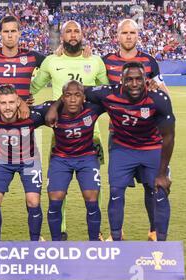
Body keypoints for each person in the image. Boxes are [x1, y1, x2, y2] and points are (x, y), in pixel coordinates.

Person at [30, 20, 109, 241]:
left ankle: (97, 232)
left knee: (94, 186)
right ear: (61, 36)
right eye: (68, 32)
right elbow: (33, 87)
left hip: (90, 133)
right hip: (59, 133)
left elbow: (107, 90)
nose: (73, 35)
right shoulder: (51, 61)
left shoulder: (94, 61)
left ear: (83, 35)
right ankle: (61, 230)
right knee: (58, 187)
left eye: (76, 31)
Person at [85, 62, 175, 241]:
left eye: (138, 79)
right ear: (121, 81)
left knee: (160, 190)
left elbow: (169, 137)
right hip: (122, 148)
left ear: (146, 80)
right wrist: (55, 108)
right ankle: (116, 238)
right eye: (129, 80)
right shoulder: (108, 93)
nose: (134, 84)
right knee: (116, 192)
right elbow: (78, 89)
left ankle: (161, 243)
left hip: (152, 147)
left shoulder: (159, 99)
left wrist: (162, 172)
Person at [0, 15, 46, 241]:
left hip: (25, 126)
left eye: (13, 31)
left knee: (32, 194)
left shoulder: (32, 57)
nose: (9, 35)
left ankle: (35, 238)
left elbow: (57, 64)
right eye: (5, 31)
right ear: (0, 34)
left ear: (19, 33)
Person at [102, 18, 171, 241]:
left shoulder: (149, 61)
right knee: (116, 189)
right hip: (119, 135)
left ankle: (154, 231)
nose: (129, 36)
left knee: (153, 188)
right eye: (125, 33)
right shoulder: (105, 62)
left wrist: (162, 98)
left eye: (132, 33)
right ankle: (116, 234)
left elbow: (162, 90)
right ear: (118, 36)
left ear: (137, 35)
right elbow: (99, 90)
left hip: (150, 136)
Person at [0, 84, 49, 241]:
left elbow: (53, 105)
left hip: (29, 161)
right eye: (3, 103)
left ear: (19, 102)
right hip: (2, 161)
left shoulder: (33, 116)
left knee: (33, 201)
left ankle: (35, 240)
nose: (7, 107)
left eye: (11, 102)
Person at [45, 80, 104, 241]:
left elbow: (112, 95)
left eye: (77, 95)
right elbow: (29, 113)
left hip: (87, 157)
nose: (72, 100)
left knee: (91, 197)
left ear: (84, 97)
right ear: (62, 98)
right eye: (68, 95)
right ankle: (56, 243)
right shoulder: (51, 111)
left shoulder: (93, 109)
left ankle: (94, 241)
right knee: (55, 198)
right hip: (61, 158)